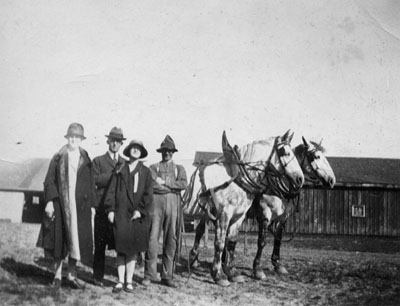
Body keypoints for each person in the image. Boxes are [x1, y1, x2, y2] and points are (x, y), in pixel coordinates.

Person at [36, 122, 97, 290]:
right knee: (59, 240)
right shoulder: (59, 157)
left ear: (81, 139)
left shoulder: (85, 158)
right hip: (61, 204)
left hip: (80, 207)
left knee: (75, 241)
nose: (74, 139)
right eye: (71, 136)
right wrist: (49, 201)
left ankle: (71, 275)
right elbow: (49, 181)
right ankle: (57, 277)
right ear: (67, 137)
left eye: (77, 137)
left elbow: (91, 184)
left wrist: (92, 205)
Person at [104, 139, 153, 294]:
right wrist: (110, 210)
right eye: (133, 148)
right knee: (120, 249)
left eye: (139, 149)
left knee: (132, 251)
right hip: (121, 214)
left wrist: (140, 211)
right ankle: (120, 281)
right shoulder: (120, 169)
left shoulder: (146, 172)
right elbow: (111, 191)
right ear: (129, 150)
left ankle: (129, 281)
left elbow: (148, 195)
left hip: (136, 217)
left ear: (141, 153)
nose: (135, 150)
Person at [143, 135, 187, 288]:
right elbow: (151, 184)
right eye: (164, 151)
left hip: (173, 207)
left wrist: (166, 183)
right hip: (156, 206)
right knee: (152, 239)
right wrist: (169, 188)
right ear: (160, 152)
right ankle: (149, 274)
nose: (166, 153)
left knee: (171, 240)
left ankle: (167, 275)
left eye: (169, 151)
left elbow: (183, 184)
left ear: (173, 152)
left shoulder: (179, 168)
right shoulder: (153, 168)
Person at [92, 127, 126, 286]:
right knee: (99, 245)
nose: (115, 144)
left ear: (121, 144)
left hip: (118, 210)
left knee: (120, 244)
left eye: (118, 142)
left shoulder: (125, 163)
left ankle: (122, 278)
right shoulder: (98, 161)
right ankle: (97, 277)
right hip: (101, 209)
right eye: (112, 141)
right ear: (108, 142)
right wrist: (114, 175)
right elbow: (95, 180)